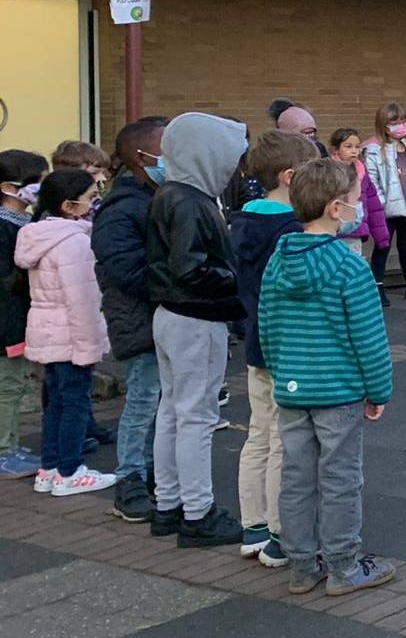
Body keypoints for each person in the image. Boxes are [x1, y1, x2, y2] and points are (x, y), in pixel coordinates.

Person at [258, 158, 396, 597]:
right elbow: (369, 339)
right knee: (340, 479)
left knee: (296, 478)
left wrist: (283, 374)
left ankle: (302, 565)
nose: (358, 208)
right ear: (336, 208)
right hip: (338, 391)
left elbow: (267, 326)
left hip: (293, 388)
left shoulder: (277, 262)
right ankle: (343, 565)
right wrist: (379, 390)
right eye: (355, 202)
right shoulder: (349, 268)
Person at [146, 111, 249, 548]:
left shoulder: (170, 194)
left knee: (173, 410)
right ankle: (197, 512)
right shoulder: (192, 201)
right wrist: (240, 281)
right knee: (196, 416)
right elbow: (191, 268)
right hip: (196, 317)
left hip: (171, 314)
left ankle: (169, 505)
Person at [228, 129, 317, 566]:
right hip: (288, 347)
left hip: (256, 344)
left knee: (259, 434)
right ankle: (284, 532)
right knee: (287, 439)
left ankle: (254, 526)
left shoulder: (243, 222)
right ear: (290, 176)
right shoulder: (292, 230)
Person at [16, 169, 117, 496]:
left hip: (47, 334)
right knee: (73, 404)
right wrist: (90, 347)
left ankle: (50, 467)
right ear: (69, 206)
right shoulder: (73, 243)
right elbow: (83, 301)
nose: (94, 203)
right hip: (72, 337)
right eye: (91, 198)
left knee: (55, 404)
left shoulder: (39, 236)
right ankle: (70, 472)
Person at [95, 118, 168, 519]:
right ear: (143, 157)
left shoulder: (159, 196)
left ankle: (154, 471)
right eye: (166, 147)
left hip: (163, 317)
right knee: (142, 401)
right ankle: (130, 479)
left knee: (162, 403)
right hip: (141, 322)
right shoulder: (122, 210)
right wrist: (178, 283)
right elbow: (128, 270)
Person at [0, 150, 49, 480]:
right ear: (9, 186)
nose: (42, 188)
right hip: (7, 324)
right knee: (9, 385)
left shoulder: (24, 224)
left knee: (14, 385)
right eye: (37, 182)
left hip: (17, 319)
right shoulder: (5, 229)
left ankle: (11, 443)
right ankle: (4, 451)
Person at [365, 102, 406, 302]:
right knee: (382, 246)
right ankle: (377, 286)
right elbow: (372, 179)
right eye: (394, 122)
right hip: (387, 207)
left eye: (403, 121)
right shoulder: (375, 150)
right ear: (384, 125)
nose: (400, 126)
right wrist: (382, 203)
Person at [328, 129, 390, 269]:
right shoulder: (327, 172)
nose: (354, 151)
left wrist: (382, 236)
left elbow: (374, 206)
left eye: (357, 147)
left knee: (354, 267)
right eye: (348, 146)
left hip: (355, 231)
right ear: (336, 149)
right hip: (333, 231)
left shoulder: (362, 172)